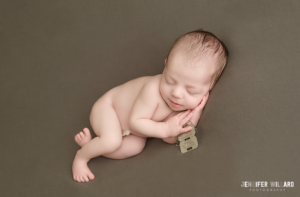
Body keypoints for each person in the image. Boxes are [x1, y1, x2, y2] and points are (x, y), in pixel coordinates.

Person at [72, 29, 229, 182]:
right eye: (170, 80)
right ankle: (81, 157)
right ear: (166, 65)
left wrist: (195, 112)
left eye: (192, 91)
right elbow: (136, 122)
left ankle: (93, 145)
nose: (177, 93)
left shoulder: (180, 104)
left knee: (135, 147)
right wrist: (165, 128)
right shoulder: (152, 90)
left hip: (133, 131)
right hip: (109, 109)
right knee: (112, 141)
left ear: (208, 88)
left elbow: (171, 138)